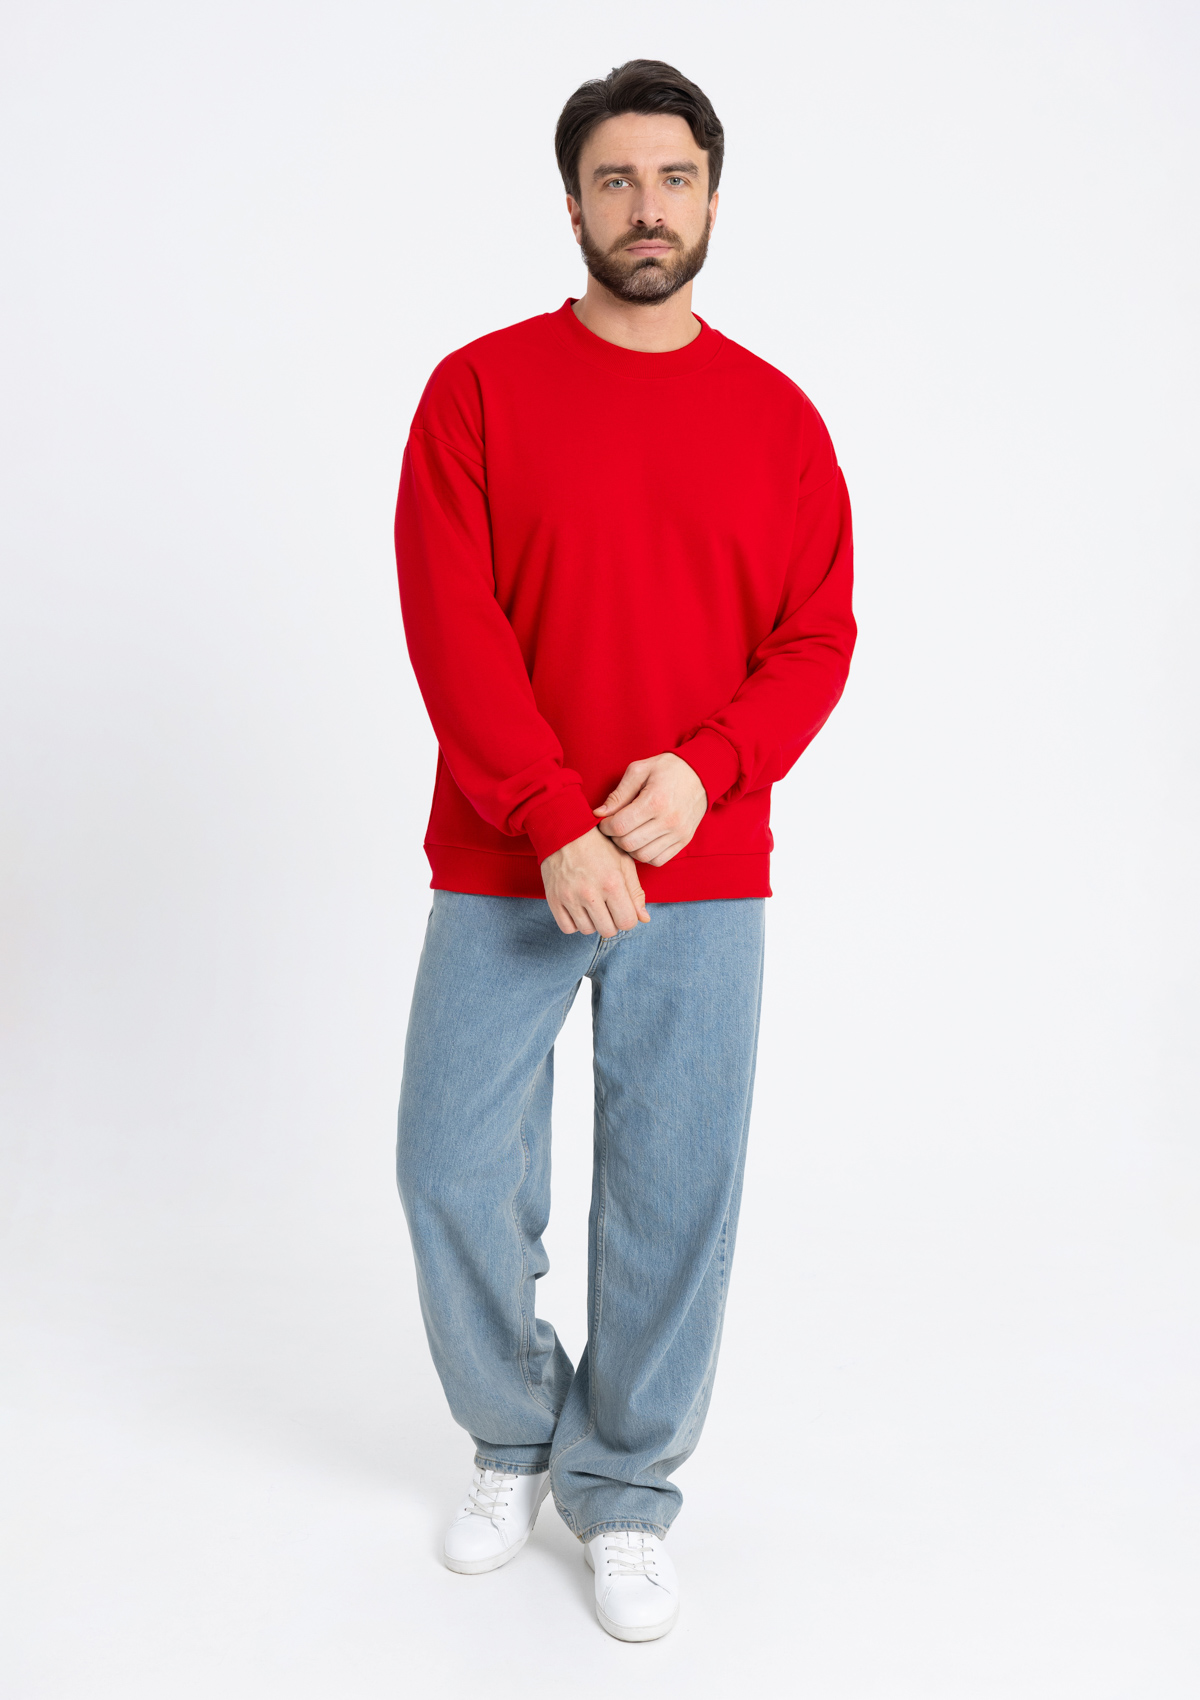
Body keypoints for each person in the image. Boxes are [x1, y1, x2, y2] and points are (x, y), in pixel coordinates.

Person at [393, 58, 855, 1642]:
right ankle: (514, 1433)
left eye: (673, 178)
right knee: (450, 1166)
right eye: (615, 179)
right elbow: (451, 624)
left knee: (675, 1193)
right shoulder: (477, 393)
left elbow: (816, 638)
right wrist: (546, 818)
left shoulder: (780, 422)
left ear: (712, 197)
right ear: (573, 201)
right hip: (506, 855)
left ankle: (630, 1488)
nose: (645, 208)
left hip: (703, 870)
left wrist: (710, 771)